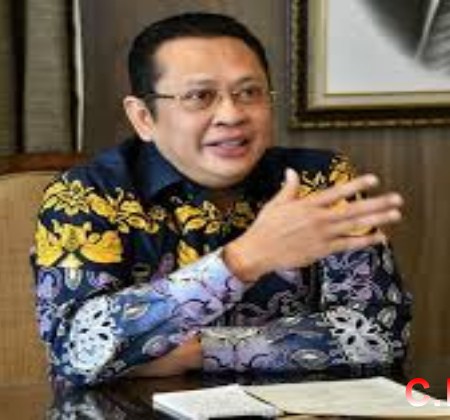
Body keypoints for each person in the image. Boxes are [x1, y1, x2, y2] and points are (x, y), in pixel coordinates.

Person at [31, 12, 411, 387]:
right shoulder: (86, 195)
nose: (231, 115)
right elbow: (74, 350)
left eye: (249, 93)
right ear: (144, 117)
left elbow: (378, 334)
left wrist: (205, 350)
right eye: (200, 96)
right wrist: (243, 259)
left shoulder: (321, 181)